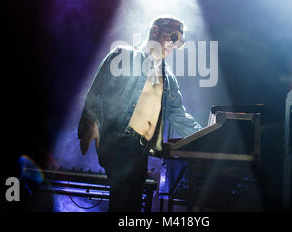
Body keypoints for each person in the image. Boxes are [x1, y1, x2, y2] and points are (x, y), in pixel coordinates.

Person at [77, 16, 202, 212]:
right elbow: (98, 91)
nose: (174, 45)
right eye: (172, 37)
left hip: (141, 151)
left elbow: (179, 115)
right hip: (120, 142)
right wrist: (90, 122)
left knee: (130, 204)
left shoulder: (168, 78)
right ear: (154, 31)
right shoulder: (124, 56)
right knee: (126, 202)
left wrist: (205, 135)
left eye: (178, 42)